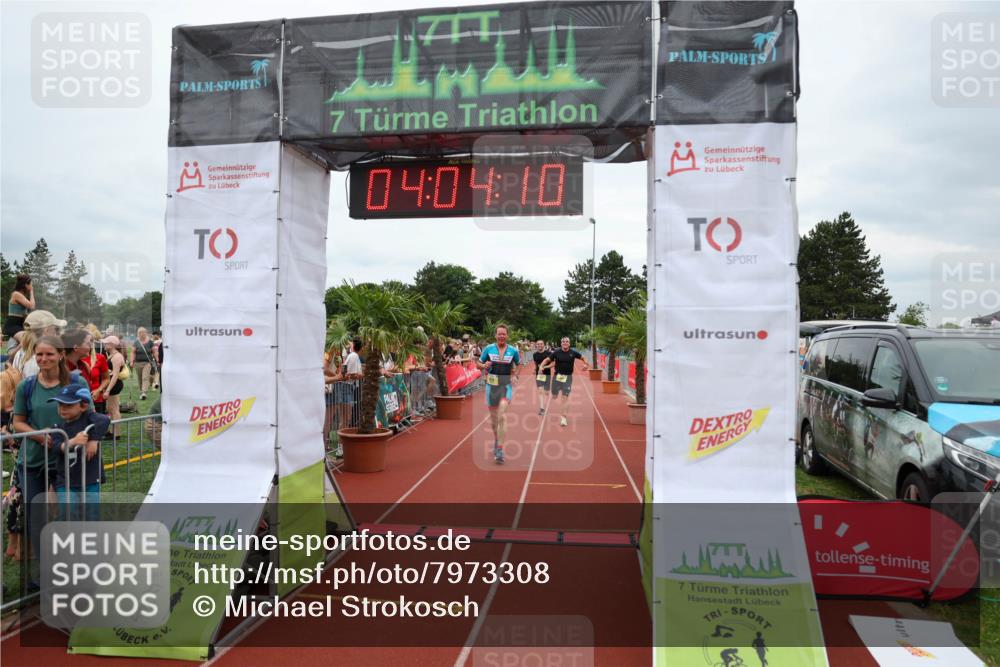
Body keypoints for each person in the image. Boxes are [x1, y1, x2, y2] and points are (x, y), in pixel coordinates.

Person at [11, 335, 87, 576]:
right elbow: (18, 423)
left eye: (49, 354)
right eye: (39, 354)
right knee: (38, 518)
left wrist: (84, 441)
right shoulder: (27, 386)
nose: (43, 359)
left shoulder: (76, 381)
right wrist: (41, 437)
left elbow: (91, 418)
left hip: (68, 462)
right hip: (33, 461)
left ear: (61, 355)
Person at [48, 384, 110, 521]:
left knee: (91, 515)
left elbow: (105, 419)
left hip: (91, 480)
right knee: (67, 514)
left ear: (83, 406)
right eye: (60, 405)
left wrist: (94, 440)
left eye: (68, 405)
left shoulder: (89, 419)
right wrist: (73, 441)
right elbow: (57, 447)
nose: (62, 409)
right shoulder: (57, 428)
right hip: (66, 482)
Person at [477, 324, 520, 464]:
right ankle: (497, 440)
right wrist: (484, 366)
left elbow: (519, 364)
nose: (501, 336)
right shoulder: (489, 349)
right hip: (491, 387)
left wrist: (515, 376)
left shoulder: (513, 350)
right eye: (499, 334)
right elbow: (478, 363)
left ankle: (500, 449)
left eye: (504, 334)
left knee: (502, 416)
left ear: (507, 335)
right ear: (495, 335)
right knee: (494, 421)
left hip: (506, 386)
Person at [539, 336, 589, 427]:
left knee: (564, 398)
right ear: (561, 343)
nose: (565, 343)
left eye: (567, 341)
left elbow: (583, 357)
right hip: (557, 377)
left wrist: (585, 364)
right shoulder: (556, 353)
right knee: (554, 396)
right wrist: (541, 366)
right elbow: (547, 360)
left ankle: (563, 418)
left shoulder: (573, 353)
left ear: (569, 343)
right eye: (563, 341)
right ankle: (555, 393)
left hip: (568, 378)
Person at [63, 328, 109, 416]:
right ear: (76, 347)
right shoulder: (60, 368)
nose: (91, 346)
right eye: (88, 343)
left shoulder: (84, 366)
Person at [11, 310, 67, 377]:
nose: (57, 334)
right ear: (46, 331)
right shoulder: (41, 360)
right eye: (56, 329)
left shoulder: (21, 353)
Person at [101, 336, 127, 438]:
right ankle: (113, 432)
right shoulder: (113, 355)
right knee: (111, 408)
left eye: (106, 343)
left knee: (114, 409)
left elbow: (115, 374)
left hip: (114, 384)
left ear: (111, 344)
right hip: (113, 384)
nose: (104, 345)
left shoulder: (116, 356)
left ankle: (116, 434)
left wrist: (107, 390)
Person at [130, 327, 155, 400]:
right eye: (140, 333)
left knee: (145, 377)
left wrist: (157, 360)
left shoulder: (150, 342)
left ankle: (144, 392)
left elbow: (154, 352)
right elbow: (133, 352)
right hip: (137, 363)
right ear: (138, 334)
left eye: (143, 332)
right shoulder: (136, 342)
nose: (142, 334)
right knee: (140, 378)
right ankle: (141, 392)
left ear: (146, 333)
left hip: (147, 362)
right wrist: (131, 361)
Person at [532, 339, 551, 416]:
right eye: (538, 344)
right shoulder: (534, 354)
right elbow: (535, 364)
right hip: (539, 375)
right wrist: (534, 369)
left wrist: (544, 367)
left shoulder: (548, 353)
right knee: (540, 391)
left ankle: (545, 405)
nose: (539, 345)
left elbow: (553, 364)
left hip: (547, 374)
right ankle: (542, 408)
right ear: (536, 345)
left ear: (544, 345)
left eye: (541, 344)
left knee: (546, 392)